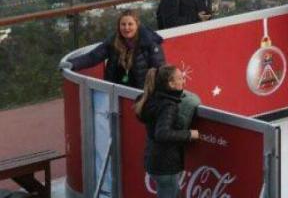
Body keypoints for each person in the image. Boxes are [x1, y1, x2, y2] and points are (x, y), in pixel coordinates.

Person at [134, 65, 199, 198]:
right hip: (165, 165)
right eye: (180, 78)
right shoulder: (168, 105)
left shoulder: (153, 98)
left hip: (155, 161)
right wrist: (189, 134)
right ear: (171, 84)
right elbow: (162, 133)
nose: (184, 81)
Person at [67, 10, 165, 88]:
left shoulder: (150, 43)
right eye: (123, 24)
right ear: (119, 26)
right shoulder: (113, 42)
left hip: (141, 92)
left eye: (130, 24)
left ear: (137, 25)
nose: (126, 28)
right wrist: (73, 64)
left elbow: (159, 70)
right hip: (116, 91)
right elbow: (93, 56)